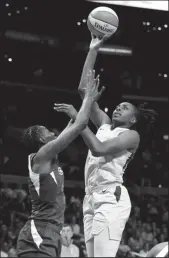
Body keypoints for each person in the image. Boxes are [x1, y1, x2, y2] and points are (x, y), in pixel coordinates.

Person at [54, 33, 158, 257]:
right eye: (118, 105)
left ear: (133, 120)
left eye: (125, 107)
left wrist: (79, 120)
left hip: (111, 198)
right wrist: (93, 49)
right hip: (90, 197)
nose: (119, 107)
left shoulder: (131, 136)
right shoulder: (104, 123)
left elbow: (98, 149)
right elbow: (84, 91)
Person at [16, 70, 103, 257]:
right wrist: (88, 98)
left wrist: (79, 107)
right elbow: (79, 126)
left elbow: (73, 125)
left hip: (52, 232)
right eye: (47, 131)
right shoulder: (41, 156)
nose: (53, 132)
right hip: (38, 231)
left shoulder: (49, 155)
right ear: (40, 138)